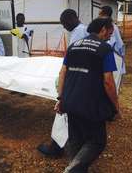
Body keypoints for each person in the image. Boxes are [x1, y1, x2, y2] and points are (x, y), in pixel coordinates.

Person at [55, 17, 119, 173]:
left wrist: (61, 98)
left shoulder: (74, 46)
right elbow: (108, 81)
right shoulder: (104, 49)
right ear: (103, 29)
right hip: (91, 103)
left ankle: (77, 168)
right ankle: (72, 169)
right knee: (97, 141)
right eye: (109, 33)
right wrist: (116, 106)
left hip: (70, 100)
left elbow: (63, 72)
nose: (110, 37)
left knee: (76, 139)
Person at [37, 9, 88, 157]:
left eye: (65, 24)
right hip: (84, 79)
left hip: (75, 79)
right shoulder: (84, 30)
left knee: (63, 112)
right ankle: (77, 143)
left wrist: (63, 83)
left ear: (72, 19)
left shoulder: (78, 33)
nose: (64, 27)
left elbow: (72, 60)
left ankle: (56, 148)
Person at [99, 5, 126, 74]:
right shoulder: (111, 26)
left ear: (105, 15)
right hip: (114, 57)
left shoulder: (110, 27)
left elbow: (110, 44)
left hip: (114, 58)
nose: (99, 17)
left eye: (100, 14)